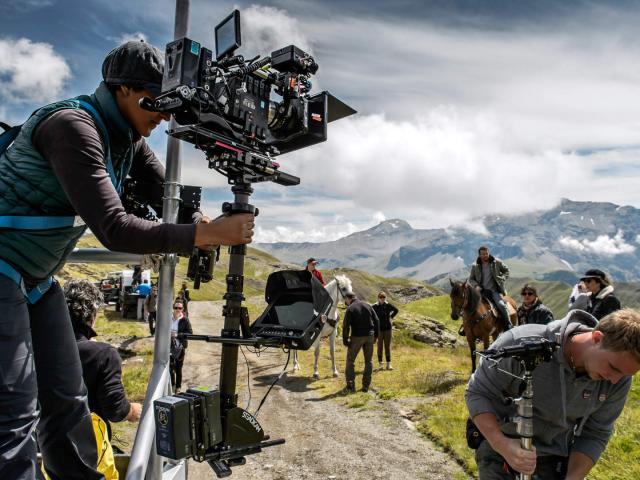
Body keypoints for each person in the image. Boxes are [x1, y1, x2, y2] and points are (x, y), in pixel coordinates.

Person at [0, 40, 254, 479]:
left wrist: (202, 221)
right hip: (4, 270)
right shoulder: (71, 126)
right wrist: (205, 235)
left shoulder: (129, 141)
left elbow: (164, 195)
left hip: (37, 278)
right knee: (15, 415)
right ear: (120, 90)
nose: (163, 115)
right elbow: (114, 228)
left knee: (67, 399)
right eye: (153, 101)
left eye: (169, 105)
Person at [466, 308, 640, 479]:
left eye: (625, 374)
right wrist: (501, 444)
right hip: (501, 449)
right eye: (613, 368)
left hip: (556, 459)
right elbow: (478, 392)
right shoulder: (521, 343)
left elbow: (596, 432)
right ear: (596, 338)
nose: (614, 380)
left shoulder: (619, 378)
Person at [64, 280, 142, 436]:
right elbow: (115, 408)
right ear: (91, 315)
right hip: (88, 446)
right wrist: (132, 410)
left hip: (42, 445)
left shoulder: (40, 347)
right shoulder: (104, 354)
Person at [342, 291, 380, 393]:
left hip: (356, 337)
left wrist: (345, 340)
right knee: (369, 361)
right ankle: (365, 386)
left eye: (345, 300)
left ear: (348, 299)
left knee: (350, 361)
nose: (345, 302)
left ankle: (351, 386)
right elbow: (377, 321)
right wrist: (376, 336)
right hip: (370, 336)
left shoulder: (350, 309)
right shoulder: (367, 305)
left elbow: (346, 326)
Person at [468, 246, 512, 330]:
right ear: (479, 255)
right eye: (483, 254)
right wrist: (476, 285)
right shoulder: (475, 266)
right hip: (481, 292)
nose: (485, 256)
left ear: (488, 253)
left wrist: (501, 278)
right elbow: (471, 279)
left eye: (486, 254)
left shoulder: (497, 262)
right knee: (470, 306)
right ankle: (466, 327)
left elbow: (507, 271)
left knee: (501, 305)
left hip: (494, 291)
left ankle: (508, 325)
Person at [371, 291, 399, 370]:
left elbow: (396, 310)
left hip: (388, 329)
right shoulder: (374, 306)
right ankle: (380, 364)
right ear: (378, 298)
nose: (382, 299)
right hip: (379, 329)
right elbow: (371, 314)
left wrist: (391, 317)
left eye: (384, 297)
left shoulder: (388, 305)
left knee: (387, 346)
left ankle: (388, 364)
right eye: (381, 297)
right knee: (379, 347)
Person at [170, 300, 193, 393]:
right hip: (168, 346)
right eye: (176, 308)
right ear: (173, 308)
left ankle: (178, 387)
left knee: (178, 368)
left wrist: (177, 335)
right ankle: (172, 385)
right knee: (169, 367)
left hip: (180, 347)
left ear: (182, 309)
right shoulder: (169, 318)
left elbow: (190, 333)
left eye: (179, 308)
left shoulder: (185, 320)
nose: (177, 310)